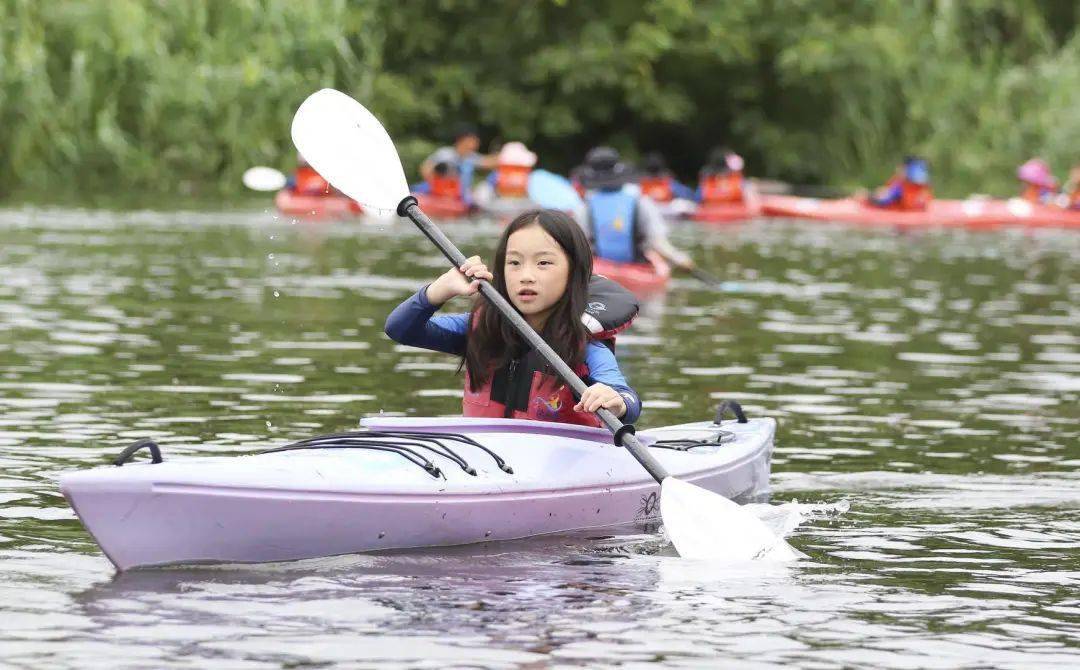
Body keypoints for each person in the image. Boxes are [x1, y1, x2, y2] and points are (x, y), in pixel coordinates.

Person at [384, 209, 642, 426]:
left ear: (573, 273)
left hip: (557, 466)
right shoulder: (481, 329)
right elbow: (401, 329)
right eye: (514, 263)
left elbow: (627, 401)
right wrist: (439, 290)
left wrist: (614, 401)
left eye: (543, 263)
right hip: (484, 458)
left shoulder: (584, 345)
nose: (525, 275)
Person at [575, 147, 695, 270]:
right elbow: (657, 242)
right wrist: (679, 259)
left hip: (599, 269)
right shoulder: (640, 200)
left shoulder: (584, 206)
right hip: (637, 267)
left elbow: (581, 245)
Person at [414, 124, 497, 205]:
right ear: (462, 140)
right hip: (440, 191)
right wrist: (439, 185)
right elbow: (425, 169)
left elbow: (488, 162)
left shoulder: (471, 157)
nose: (476, 144)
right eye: (473, 141)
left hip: (460, 197)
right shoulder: (445, 154)